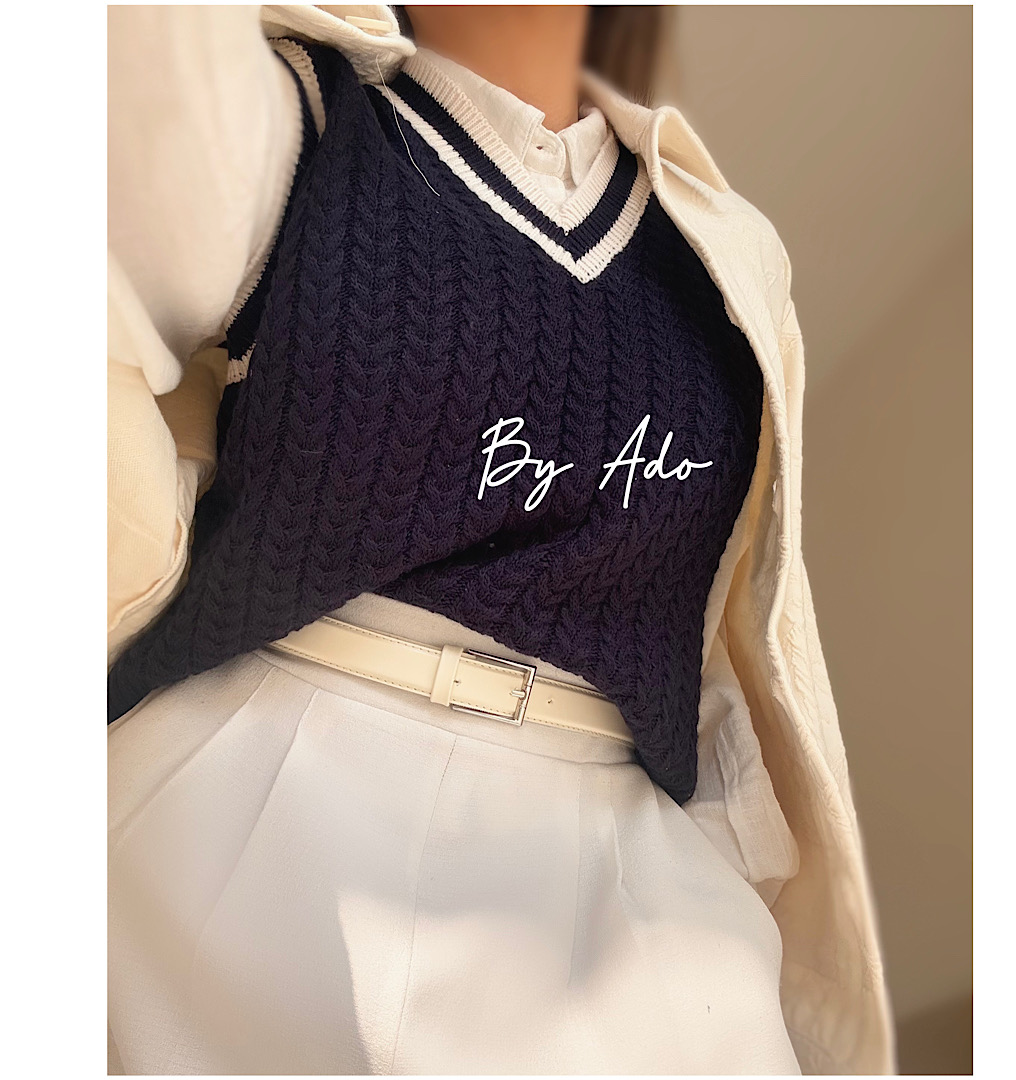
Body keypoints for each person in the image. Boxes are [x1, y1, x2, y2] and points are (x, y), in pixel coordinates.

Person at [107, 4, 894, 1074]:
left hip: (625, 859)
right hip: (255, 792)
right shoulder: (295, 126)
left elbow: (725, 639)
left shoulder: (728, 250)